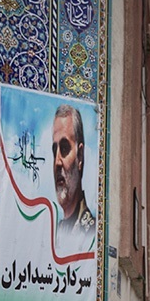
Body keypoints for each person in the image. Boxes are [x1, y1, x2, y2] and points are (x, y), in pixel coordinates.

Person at [52, 103, 96, 252]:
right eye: (54, 151)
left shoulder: (91, 233)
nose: (57, 162)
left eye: (64, 149)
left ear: (80, 156)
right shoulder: (56, 232)